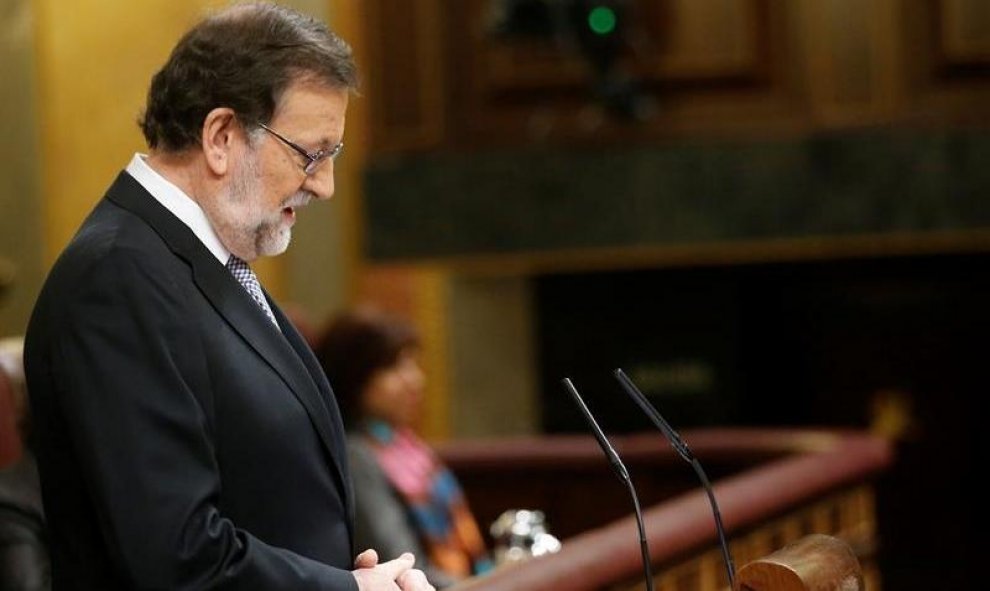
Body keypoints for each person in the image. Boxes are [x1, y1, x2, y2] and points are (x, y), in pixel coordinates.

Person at [23, 4, 432, 590]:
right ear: (220, 136)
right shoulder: (116, 279)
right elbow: (173, 551)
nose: (324, 184)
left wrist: (343, 576)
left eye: (332, 157)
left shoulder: (195, 260)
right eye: (310, 154)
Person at [314, 307, 494, 589]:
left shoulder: (406, 447)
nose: (415, 380)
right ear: (354, 375)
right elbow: (401, 562)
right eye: (394, 367)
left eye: (412, 364)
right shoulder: (356, 454)